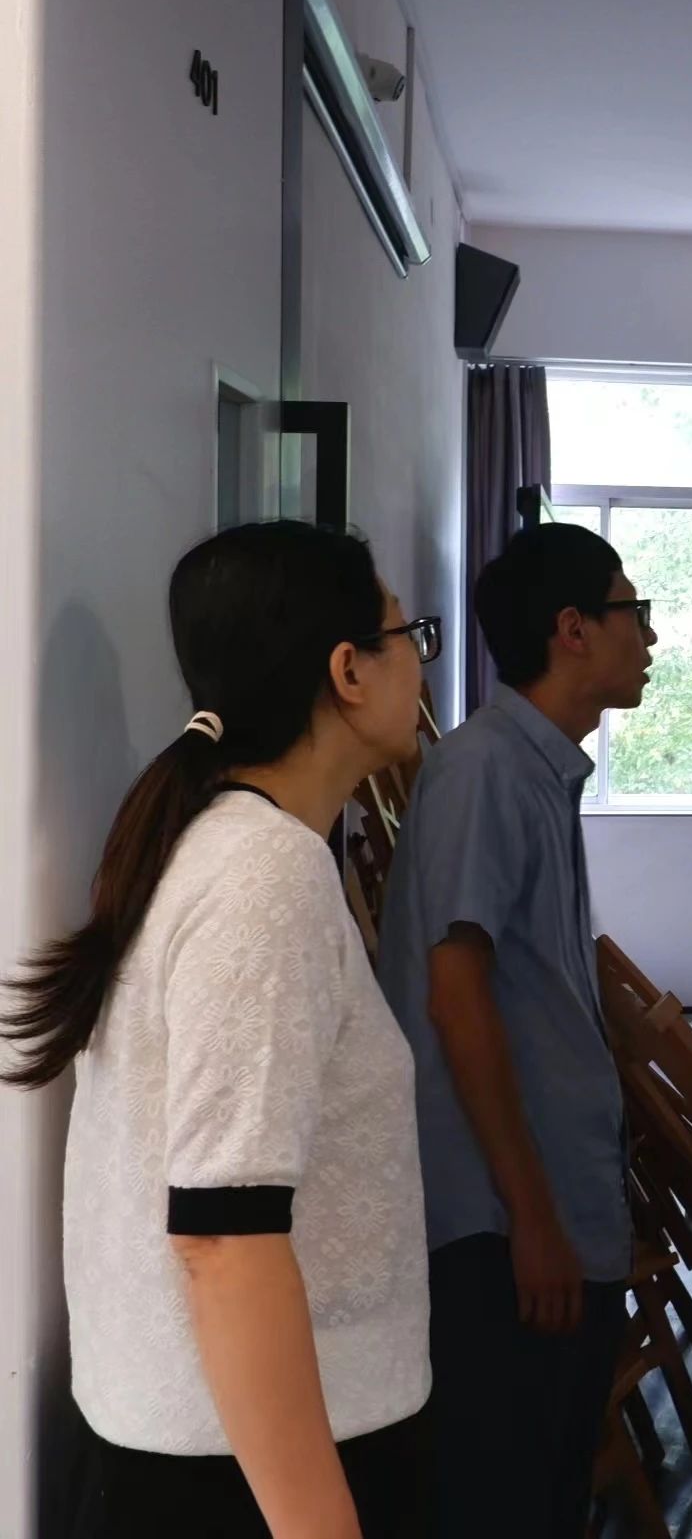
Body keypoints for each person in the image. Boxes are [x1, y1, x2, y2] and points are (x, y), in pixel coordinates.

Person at [0, 523, 438, 1539]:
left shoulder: (233, 848)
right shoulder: (261, 875)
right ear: (348, 671)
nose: (421, 660)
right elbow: (222, 1234)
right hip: (245, 1476)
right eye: (407, 633)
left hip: (224, 1448)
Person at [375, 523, 656, 1539]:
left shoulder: (536, 769)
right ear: (573, 628)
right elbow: (456, 999)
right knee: (504, 1498)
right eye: (633, 612)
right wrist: (530, 1216)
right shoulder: (486, 770)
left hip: (545, 1211)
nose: (649, 636)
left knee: (545, 1491)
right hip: (502, 1231)